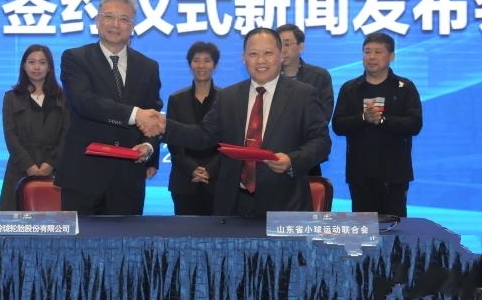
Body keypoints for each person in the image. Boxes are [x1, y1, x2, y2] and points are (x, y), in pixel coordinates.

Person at [149, 27, 331, 217]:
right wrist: (164, 126)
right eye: (253, 54)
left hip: (285, 204)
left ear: (280, 56)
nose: (260, 60)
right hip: (234, 204)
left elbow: (321, 142)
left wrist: (292, 161)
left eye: (268, 53)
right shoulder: (228, 97)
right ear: (244, 58)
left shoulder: (303, 94)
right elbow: (203, 135)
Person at [56, 0, 163, 215]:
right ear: (97, 21)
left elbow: (153, 115)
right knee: (80, 238)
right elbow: (85, 102)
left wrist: (148, 146)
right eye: (109, 16)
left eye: (124, 19)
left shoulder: (148, 67)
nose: (115, 24)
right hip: (83, 177)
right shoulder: (75, 58)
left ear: (133, 26)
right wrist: (135, 114)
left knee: (127, 238)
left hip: (128, 180)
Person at [331, 32, 422, 217]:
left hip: (394, 174)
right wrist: (363, 118)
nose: (371, 57)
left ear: (391, 56)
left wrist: (382, 120)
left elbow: (414, 124)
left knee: (395, 228)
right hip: (360, 173)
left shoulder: (404, 87)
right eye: (367, 51)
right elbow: (338, 125)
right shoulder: (350, 88)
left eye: (378, 52)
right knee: (364, 227)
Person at [0, 44, 68, 211]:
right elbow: (10, 135)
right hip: (19, 167)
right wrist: (29, 165)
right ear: (24, 66)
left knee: (54, 221)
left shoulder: (63, 97)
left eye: (42, 63)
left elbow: (67, 134)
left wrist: (50, 164)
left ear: (49, 67)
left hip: (55, 168)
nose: (37, 67)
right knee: (14, 221)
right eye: (31, 62)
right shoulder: (11, 98)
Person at [167, 41, 221, 215]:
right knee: (185, 230)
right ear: (190, 64)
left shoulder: (227, 99)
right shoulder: (176, 99)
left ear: (215, 65)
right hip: (184, 180)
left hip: (217, 180)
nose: (201, 65)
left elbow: (231, 139)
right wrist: (191, 168)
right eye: (196, 60)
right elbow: (172, 140)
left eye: (207, 60)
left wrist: (210, 170)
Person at [276, 24, 334, 176]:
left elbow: (323, 117)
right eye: (278, 45)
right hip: (274, 155)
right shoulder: (268, 77)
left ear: (301, 47)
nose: (282, 50)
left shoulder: (319, 76)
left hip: (307, 154)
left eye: (287, 44)